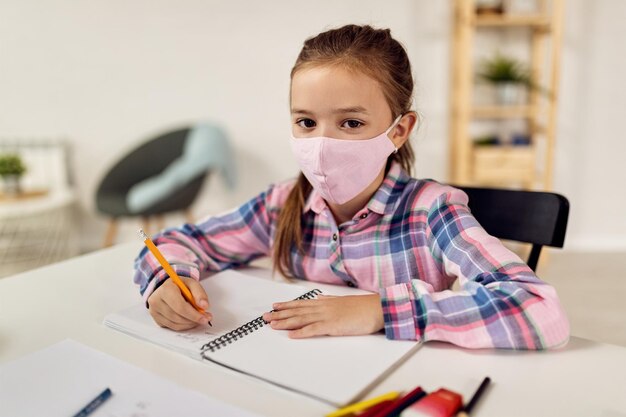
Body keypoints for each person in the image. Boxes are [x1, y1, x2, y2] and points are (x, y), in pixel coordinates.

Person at [133, 24, 569, 350]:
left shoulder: (432, 211)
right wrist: (167, 283)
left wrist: (379, 310)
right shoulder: (283, 203)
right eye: (306, 122)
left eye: (352, 123)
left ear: (399, 131)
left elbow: (538, 309)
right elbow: (178, 241)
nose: (323, 143)